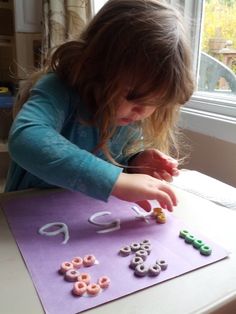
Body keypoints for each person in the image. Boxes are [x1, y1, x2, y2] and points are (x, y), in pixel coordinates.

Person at [5, 0, 194, 212]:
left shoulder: (127, 115)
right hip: (26, 214)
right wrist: (115, 181)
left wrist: (134, 162)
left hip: (83, 215)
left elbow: (110, 158)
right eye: (134, 97)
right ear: (95, 67)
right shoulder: (58, 88)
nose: (142, 112)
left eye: (154, 103)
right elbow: (26, 139)